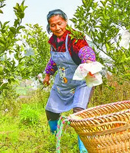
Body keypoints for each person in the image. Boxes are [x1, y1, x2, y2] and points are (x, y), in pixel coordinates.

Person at [43, 9, 95, 153]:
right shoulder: (53, 42)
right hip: (63, 83)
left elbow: (85, 50)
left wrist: (88, 60)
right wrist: (47, 75)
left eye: (59, 23)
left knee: (79, 113)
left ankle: (83, 149)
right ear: (50, 27)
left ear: (65, 22)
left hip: (81, 82)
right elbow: (54, 60)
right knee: (51, 111)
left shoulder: (74, 37)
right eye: (53, 25)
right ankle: (56, 138)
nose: (57, 28)